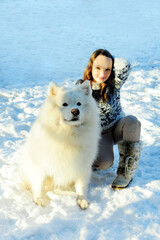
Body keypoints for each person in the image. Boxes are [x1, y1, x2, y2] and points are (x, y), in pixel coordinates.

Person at [77, 49, 142, 189]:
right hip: (98, 134)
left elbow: (125, 64)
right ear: (91, 66)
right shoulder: (81, 86)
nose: (102, 74)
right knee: (104, 163)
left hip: (119, 128)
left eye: (107, 69)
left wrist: (108, 58)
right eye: (98, 68)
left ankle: (125, 173)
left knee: (133, 121)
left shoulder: (114, 83)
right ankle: (92, 161)